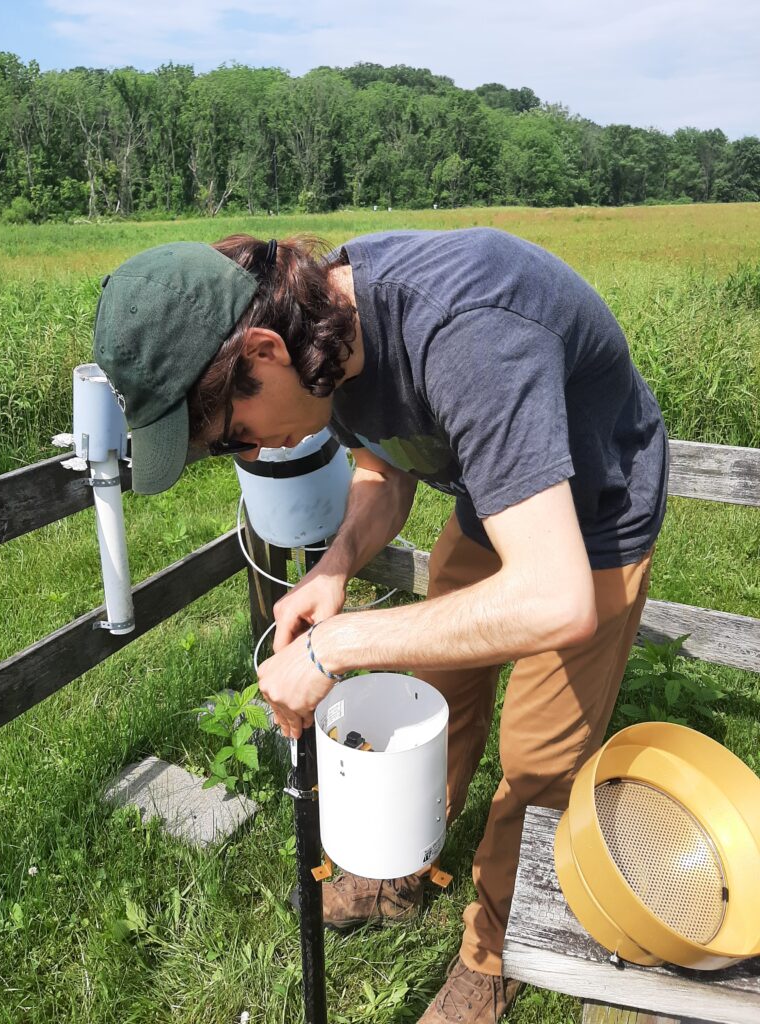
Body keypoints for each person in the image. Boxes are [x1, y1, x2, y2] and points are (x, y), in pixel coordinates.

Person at [93, 229, 668, 1023]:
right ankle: (410, 857)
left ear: (262, 348)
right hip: (499, 495)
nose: (252, 457)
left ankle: (492, 951)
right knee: (437, 692)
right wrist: (334, 571)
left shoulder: (465, 331)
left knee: (537, 761)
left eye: (234, 434)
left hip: (596, 514)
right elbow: (382, 466)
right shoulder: (325, 329)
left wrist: (337, 646)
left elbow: (555, 598)